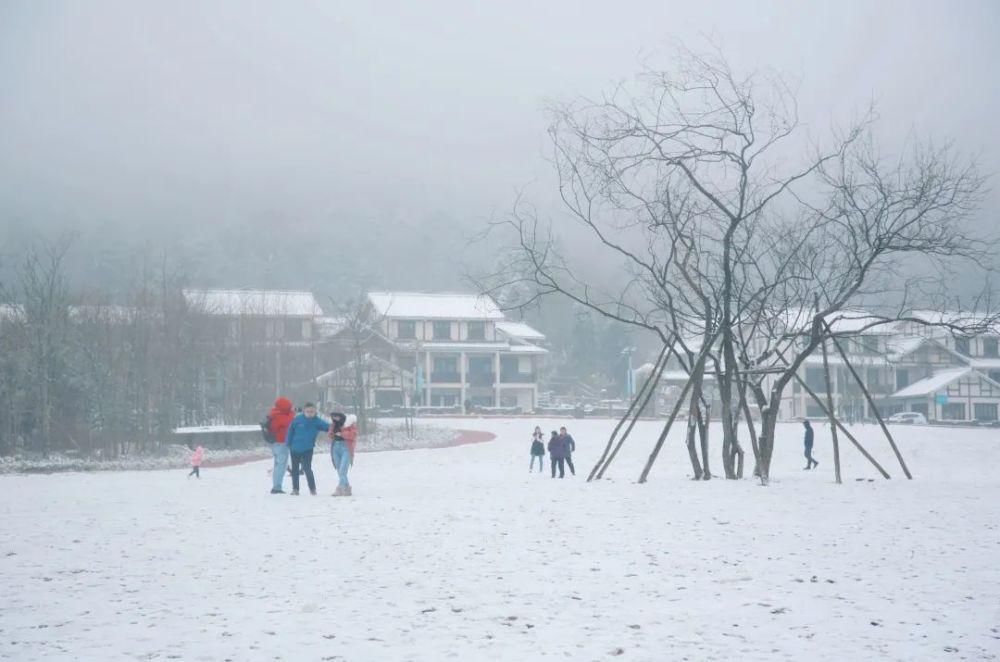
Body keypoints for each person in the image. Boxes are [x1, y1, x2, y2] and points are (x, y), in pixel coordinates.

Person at [285, 402, 329, 495]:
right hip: (295, 448)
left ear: (315, 412)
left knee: (307, 469)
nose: (310, 413)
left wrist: (337, 429)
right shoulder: (297, 419)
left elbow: (328, 427)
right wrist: (288, 443)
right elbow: (290, 431)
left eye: (312, 412)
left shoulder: (317, 421)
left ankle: (312, 489)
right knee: (295, 470)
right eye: (308, 411)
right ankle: (295, 489)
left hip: (307, 449)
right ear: (304, 411)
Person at [265, 396, 295, 494]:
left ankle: (276, 485)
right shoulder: (279, 416)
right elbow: (289, 421)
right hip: (281, 442)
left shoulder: (274, 413)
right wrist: (292, 413)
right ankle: (277, 487)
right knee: (281, 465)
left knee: (278, 464)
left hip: (276, 443)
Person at [329, 412, 359, 496]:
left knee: (343, 469)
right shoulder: (333, 425)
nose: (335, 419)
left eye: (337, 417)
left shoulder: (349, 424)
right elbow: (330, 433)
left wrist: (342, 434)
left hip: (346, 447)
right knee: (339, 470)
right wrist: (331, 434)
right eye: (333, 417)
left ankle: (340, 488)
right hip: (335, 447)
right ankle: (347, 487)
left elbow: (353, 434)